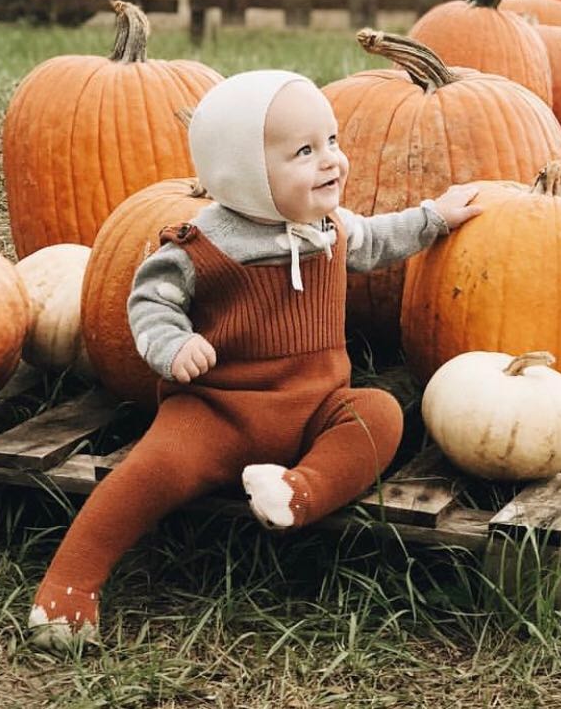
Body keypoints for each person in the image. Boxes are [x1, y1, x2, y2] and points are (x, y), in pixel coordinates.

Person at [27, 68, 482, 651]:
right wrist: (173, 345)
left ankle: (297, 493)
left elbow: (378, 239)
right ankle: (69, 587)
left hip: (318, 407)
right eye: (304, 151)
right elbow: (149, 301)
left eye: (333, 143)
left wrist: (434, 218)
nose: (331, 161)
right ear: (244, 172)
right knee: (147, 474)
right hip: (218, 414)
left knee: (381, 414)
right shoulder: (202, 245)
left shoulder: (329, 229)